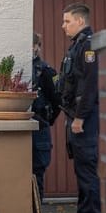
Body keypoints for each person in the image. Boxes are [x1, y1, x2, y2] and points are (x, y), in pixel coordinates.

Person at [57, 3, 100, 213]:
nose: (64, 26)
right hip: (76, 117)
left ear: (80, 21)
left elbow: (91, 86)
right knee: (81, 171)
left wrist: (81, 117)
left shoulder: (89, 46)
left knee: (88, 171)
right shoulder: (78, 46)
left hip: (85, 119)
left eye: (67, 21)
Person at [31, 32, 59, 202]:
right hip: (22, 127)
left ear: (37, 47)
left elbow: (57, 100)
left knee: (37, 172)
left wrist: (47, 119)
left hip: (39, 127)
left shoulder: (47, 71)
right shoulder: (19, 69)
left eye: (31, 45)